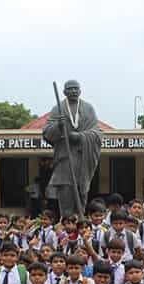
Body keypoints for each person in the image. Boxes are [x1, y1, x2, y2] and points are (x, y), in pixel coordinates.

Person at [42, 79, 103, 217]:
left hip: (82, 159)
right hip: (65, 160)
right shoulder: (58, 108)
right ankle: (67, 222)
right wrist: (58, 125)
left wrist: (81, 137)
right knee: (66, 196)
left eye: (76, 88)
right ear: (64, 92)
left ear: (80, 91)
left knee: (81, 195)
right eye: (70, 89)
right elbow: (47, 133)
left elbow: (97, 133)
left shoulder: (88, 108)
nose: (74, 91)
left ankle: (81, 222)